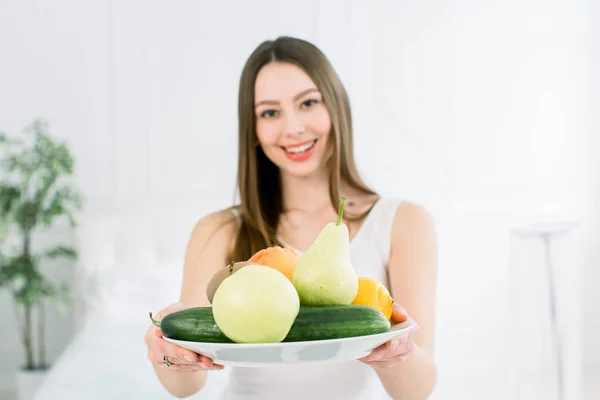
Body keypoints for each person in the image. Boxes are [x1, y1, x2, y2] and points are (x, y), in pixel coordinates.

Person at [144, 36, 438, 399]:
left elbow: (416, 391)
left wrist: (399, 351)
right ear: (252, 129)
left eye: (308, 102)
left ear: (336, 106)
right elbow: (185, 385)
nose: (293, 127)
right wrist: (166, 353)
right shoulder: (217, 231)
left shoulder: (404, 222)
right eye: (270, 112)